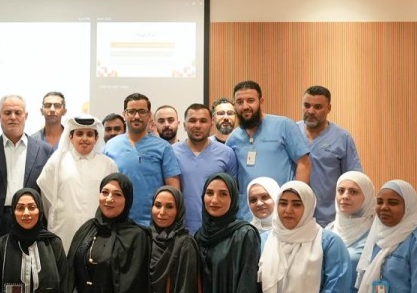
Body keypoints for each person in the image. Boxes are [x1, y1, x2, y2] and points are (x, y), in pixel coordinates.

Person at [0, 95, 54, 239]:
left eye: (18, 113)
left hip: (32, 220)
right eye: (7, 113)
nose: (13, 117)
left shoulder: (45, 151)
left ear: (25, 116)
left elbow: (48, 195)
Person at [227, 81, 310, 218]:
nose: (245, 106)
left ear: (261, 101)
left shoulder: (284, 126)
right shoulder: (233, 139)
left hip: (282, 213)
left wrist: (296, 200)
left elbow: (304, 163)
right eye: (239, 102)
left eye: (251, 100)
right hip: (247, 216)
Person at [37, 115, 118, 253]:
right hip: (63, 231)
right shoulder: (56, 162)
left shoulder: (108, 164)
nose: (84, 138)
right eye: (79, 134)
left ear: (96, 138)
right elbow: (47, 200)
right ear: (70, 137)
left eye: (89, 134)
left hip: (98, 231)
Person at [103, 93, 181, 226]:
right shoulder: (111, 146)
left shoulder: (163, 147)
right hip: (117, 222)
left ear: (149, 115)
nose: (137, 116)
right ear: (124, 114)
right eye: (132, 111)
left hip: (152, 224)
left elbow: (174, 190)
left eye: (142, 112)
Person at [298, 86, 363, 225]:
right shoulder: (291, 132)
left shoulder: (342, 138)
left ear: (329, 108)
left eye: (318, 107)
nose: (311, 111)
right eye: (307, 105)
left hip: (329, 219)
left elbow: (354, 179)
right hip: (295, 216)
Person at [328, 171, 376, 293]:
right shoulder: (328, 231)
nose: (345, 196)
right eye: (341, 191)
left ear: (367, 196)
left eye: (354, 192)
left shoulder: (377, 233)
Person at [173, 103, 238, 233]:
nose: (197, 125)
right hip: (181, 230)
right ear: (184, 125)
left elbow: (232, 195)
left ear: (211, 123)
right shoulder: (171, 152)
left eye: (203, 121)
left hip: (217, 230)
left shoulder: (227, 153)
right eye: (192, 121)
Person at [245, 176, 281, 244]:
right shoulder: (247, 232)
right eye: (253, 200)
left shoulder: (289, 232)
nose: (259, 203)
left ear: (276, 197)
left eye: (264, 197)